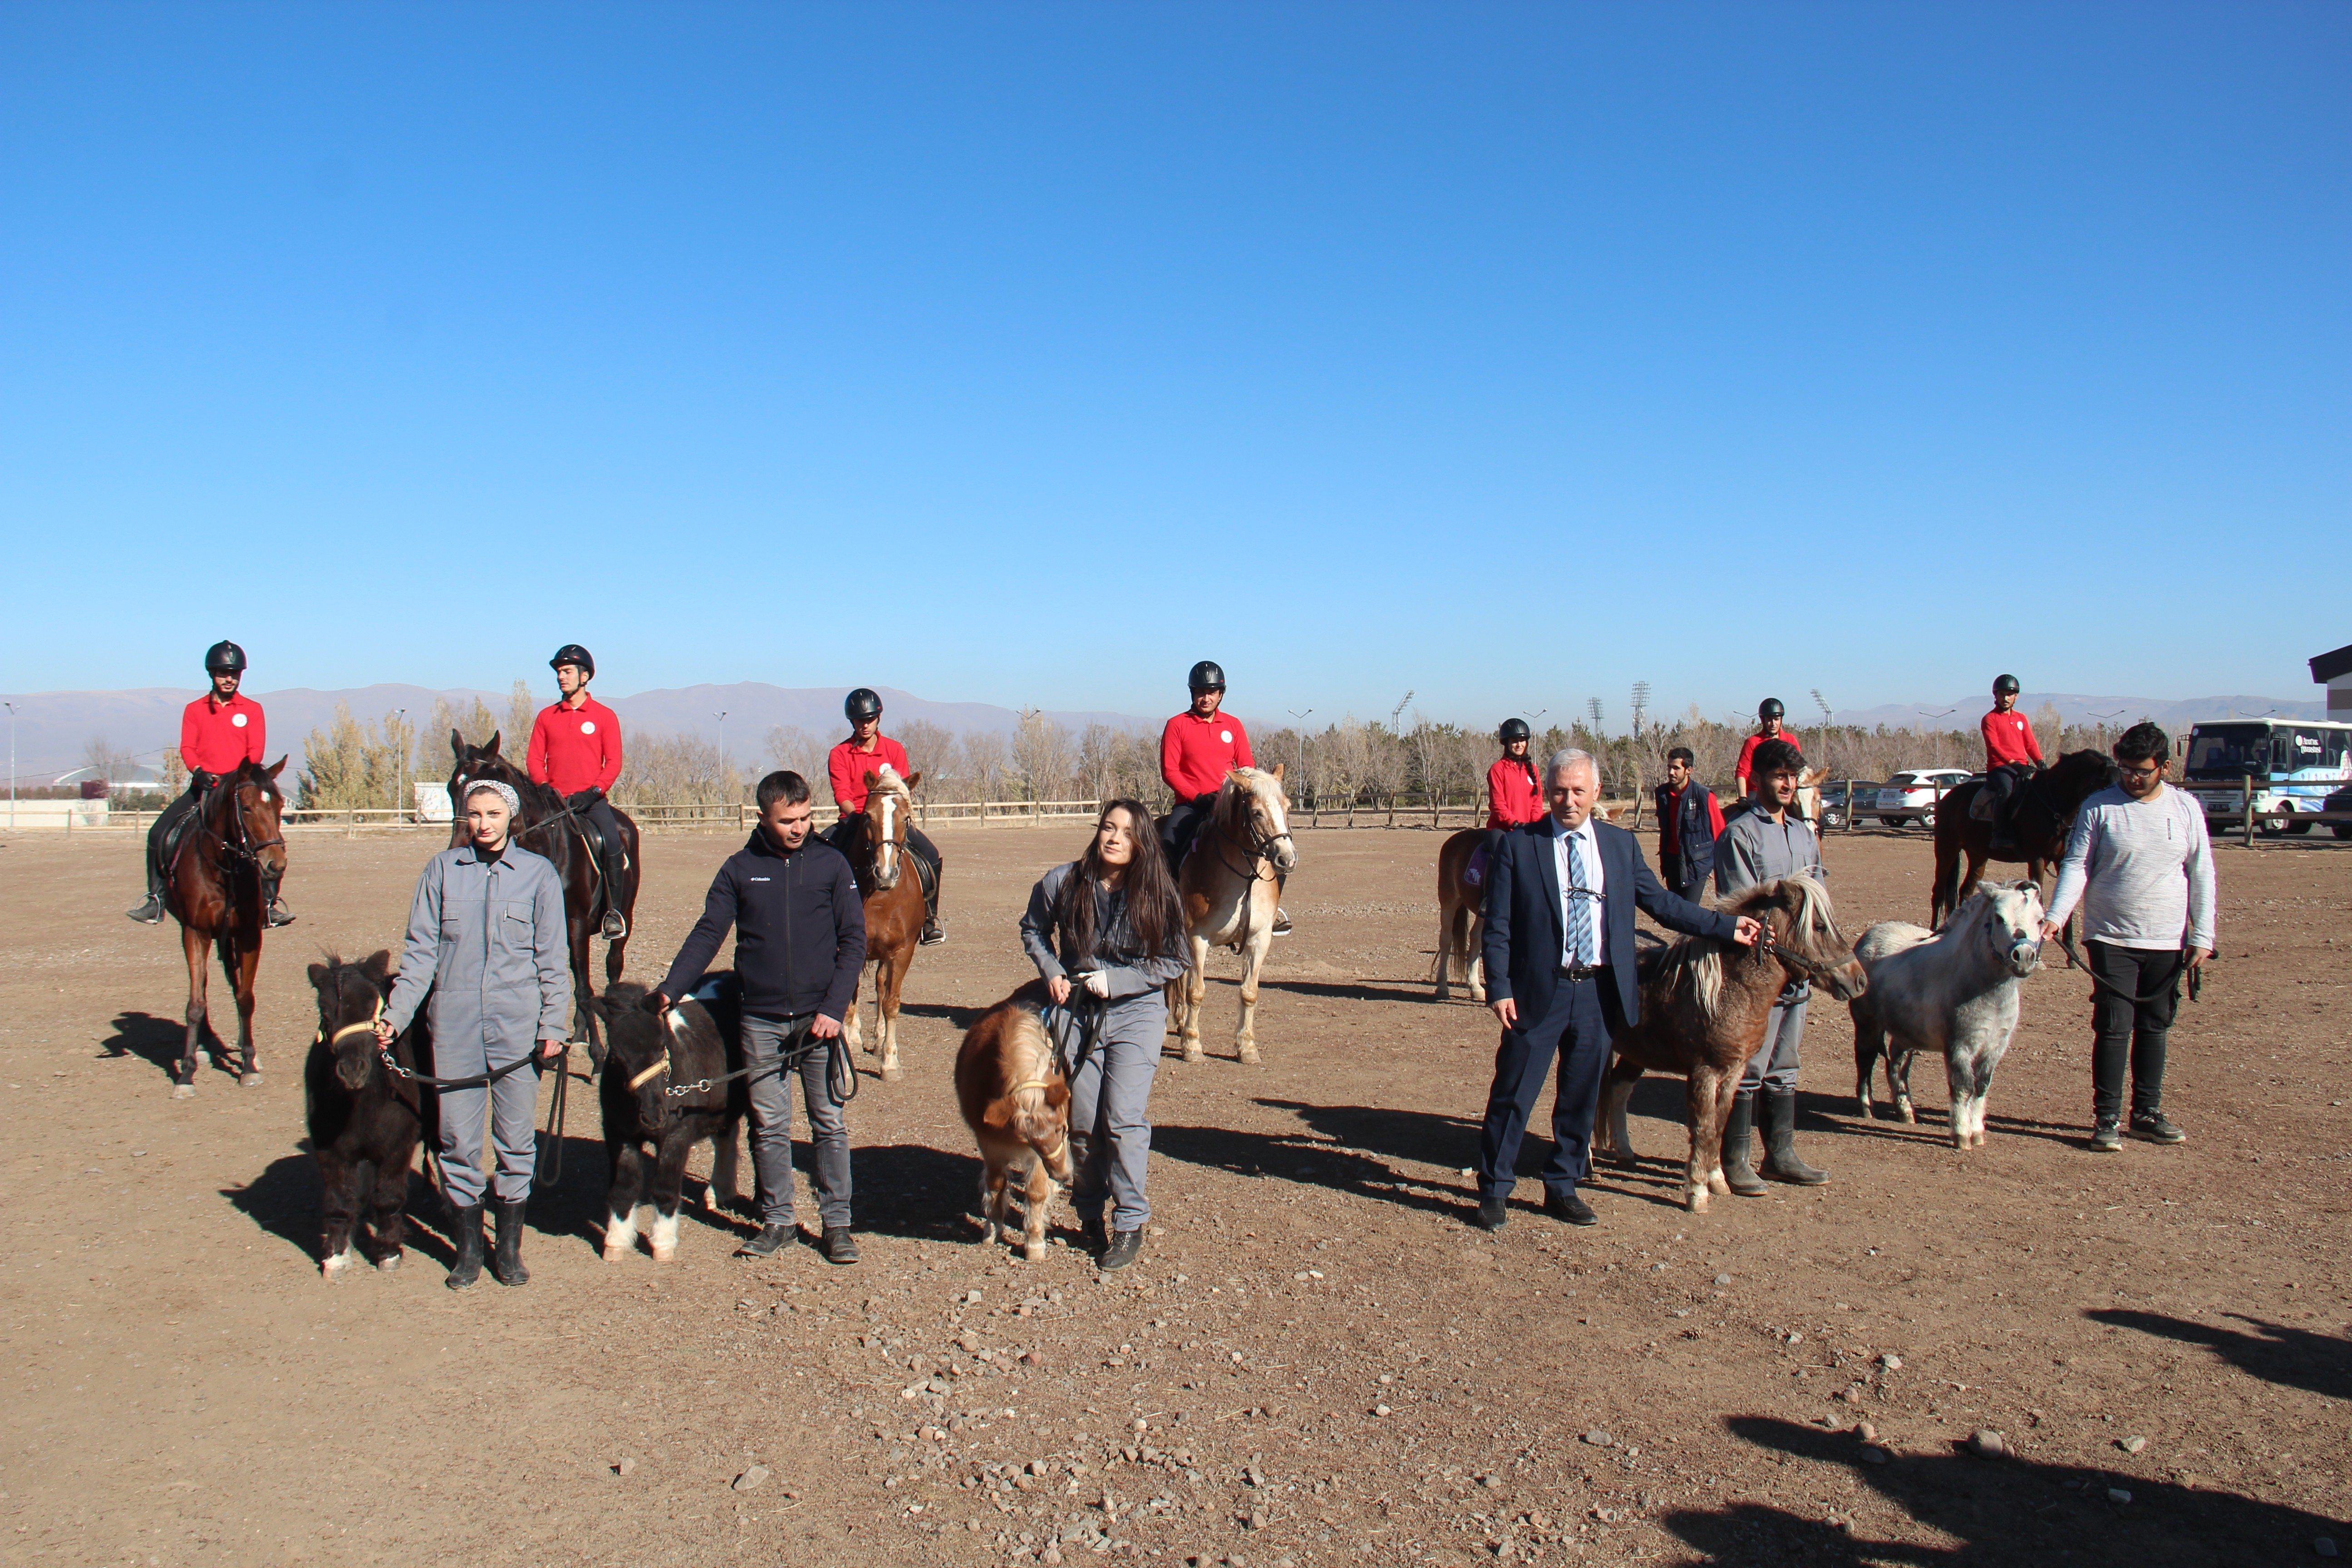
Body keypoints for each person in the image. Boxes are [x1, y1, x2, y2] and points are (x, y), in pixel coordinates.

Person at [1473, 749, 1758, 1231]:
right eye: (1560, 791)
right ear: (1548, 792)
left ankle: (1562, 1186)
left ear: (1596, 793)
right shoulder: (1521, 848)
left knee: (1581, 1096)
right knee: (1513, 1093)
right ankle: (1494, 1190)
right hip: (1536, 993)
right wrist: (1499, 988)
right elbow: (1497, 925)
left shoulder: (1620, 846)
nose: (1568, 800)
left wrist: (1725, 928)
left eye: (1578, 791)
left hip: (1599, 994)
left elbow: (1664, 905)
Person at [653, 770, 867, 1263]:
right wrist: (670, 991)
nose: (799, 828)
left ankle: (837, 1226)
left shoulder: (832, 865)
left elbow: (854, 942)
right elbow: (709, 933)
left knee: (828, 1124)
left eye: (806, 817)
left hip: (819, 1023)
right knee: (769, 1125)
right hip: (761, 1020)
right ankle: (778, 1221)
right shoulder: (739, 869)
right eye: (788, 820)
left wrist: (834, 1009)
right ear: (762, 818)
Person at [377, 780, 571, 1289]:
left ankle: (508, 1250)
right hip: (455, 1027)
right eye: (474, 814)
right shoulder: (440, 872)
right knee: (456, 1141)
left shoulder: (538, 876)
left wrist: (554, 1024)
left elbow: (554, 960)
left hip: (518, 1030)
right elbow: (419, 954)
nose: (483, 824)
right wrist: (394, 1017)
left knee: (515, 1141)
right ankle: (466, 1251)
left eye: (492, 813)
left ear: (511, 817)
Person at [1019, 799, 1191, 1271]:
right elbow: (1034, 928)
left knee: (1122, 1118)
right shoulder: (1062, 881)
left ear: (1142, 843)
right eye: (1108, 828)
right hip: (1077, 1013)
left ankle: (1131, 1220)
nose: (1114, 838)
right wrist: (1052, 969)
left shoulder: (1160, 891)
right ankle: (1090, 1212)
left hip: (1136, 1013)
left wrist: (1118, 981)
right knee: (1084, 1123)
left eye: (1127, 832)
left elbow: (1177, 960)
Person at [2038, 723, 2214, 1152]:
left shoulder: (2187, 809)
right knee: (2114, 1027)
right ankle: (2107, 1118)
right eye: (2124, 770)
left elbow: (2202, 872)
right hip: (2111, 937)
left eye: (2141, 771)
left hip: (2168, 938)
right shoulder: (2099, 807)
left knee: (2155, 1027)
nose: (2131, 778)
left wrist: (2203, 934)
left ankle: (2146, 1114)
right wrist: (2057, 915)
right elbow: (2077, 864)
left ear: (2165, 768)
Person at [1712, 736, 1833, 1192]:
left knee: (1786, 1061)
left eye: (1791, 777)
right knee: (1751, 1063)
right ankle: (1735, 1159)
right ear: (1758, 779)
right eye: (1779, 776)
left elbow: (1818, 900)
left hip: (1801, 969)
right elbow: (1743, 905)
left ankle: (1780, 1154)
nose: (1786, 784)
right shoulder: (1739, 834)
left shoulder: (1804, 834)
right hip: (1759, 970)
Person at [129, 640, 294, 927]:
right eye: (223, 672)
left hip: (240, 791)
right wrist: (198, 770)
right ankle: (156, 900)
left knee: (268, 840)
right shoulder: (195, 710)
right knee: (157, 834)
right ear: (212, 674)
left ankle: (269, 904)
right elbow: (187, 748)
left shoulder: (252, 710)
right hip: (204, 789)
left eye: (235, 673)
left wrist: (236, 780)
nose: (229, 678)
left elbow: (255, 752)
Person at [1158, 660, 1289, 934]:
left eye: (1212, 692)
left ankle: (1272, 909)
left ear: (1221, 694)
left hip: (1229, 805)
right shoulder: (1177, 725)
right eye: (1200, 692)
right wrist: (1197, 798)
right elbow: (1170, 771)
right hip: (1191, 806)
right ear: (1192, 693)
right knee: (1166, 843)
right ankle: (1169, 908)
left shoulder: (1233, 725)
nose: (1206, 698)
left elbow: (1248, 768)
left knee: (1275, 845)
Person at [824, 687, 945, 945]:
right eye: (859, 720)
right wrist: (861, 818)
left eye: (869, 719)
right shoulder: (839, 754)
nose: (864, 725)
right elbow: (842, 793)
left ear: (878, 718)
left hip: (891, 819)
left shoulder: (894, 749)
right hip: (856, 819)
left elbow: (901, 791)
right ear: (851, 722)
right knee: (818, 853)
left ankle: (929, 920)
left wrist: (887, 818)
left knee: (931, 854)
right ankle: (819, 920)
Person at [526, 644, 629, 941]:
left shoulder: (604, 716)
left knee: (612, 841)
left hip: (591, 802)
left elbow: (614, 762)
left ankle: (614, 913)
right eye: (559, 672)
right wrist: (544, 786)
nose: (561, 677)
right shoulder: (547, 717)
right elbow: (535, 759)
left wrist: (595, 791)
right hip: (555, 803)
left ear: (585, 677)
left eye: (567, 671)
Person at [1970, 674, 2047, 845]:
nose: (2006, 698)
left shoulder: (2021, 718)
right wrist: (2015, 764)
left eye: (2009, 695)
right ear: (1995, 696)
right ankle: (1999, 833)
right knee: (2007, 790)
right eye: (2002, 694)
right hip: (2000, 768)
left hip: (2023, 766)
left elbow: (2030, 743)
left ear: (2016, 697)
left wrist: (2040, 761)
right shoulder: (1990, 719)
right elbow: (1994, 747)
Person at [1465, 719, 1544, 885]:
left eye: (1522, 741)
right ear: (1506, 743)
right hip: (1502, 829)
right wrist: (1516, 824)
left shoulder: (1534, 770)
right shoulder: (1497, 770)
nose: (1519, 745)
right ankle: (1490, 898)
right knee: (1501, 859)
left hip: (1528, 829)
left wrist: (1534, 824)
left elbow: (1537, 802)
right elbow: (1498, 805)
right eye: (1514, 741)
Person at [1653, 746, 1727, 904]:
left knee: (1690, 912)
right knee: (1677, 913)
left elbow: (1720, 833)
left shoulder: (1704, 795)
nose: (1671, 772)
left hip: (1696, 863)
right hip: (1671, 862)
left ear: (1689, 770)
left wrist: (1713, 864)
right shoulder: (1662, 794)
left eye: (1676, 768)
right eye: (1669, 767)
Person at [1733, 698, 1801, 797]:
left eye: (1777, 719)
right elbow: (1742, 772)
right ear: (1763, 720)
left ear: (1781, 720)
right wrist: (1743, 798)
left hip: (1786, 792)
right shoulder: (1752, 742)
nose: (1773, 724)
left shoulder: (1790, 740)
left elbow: (1799, 769)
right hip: (1758, 793)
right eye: (1770, 720)